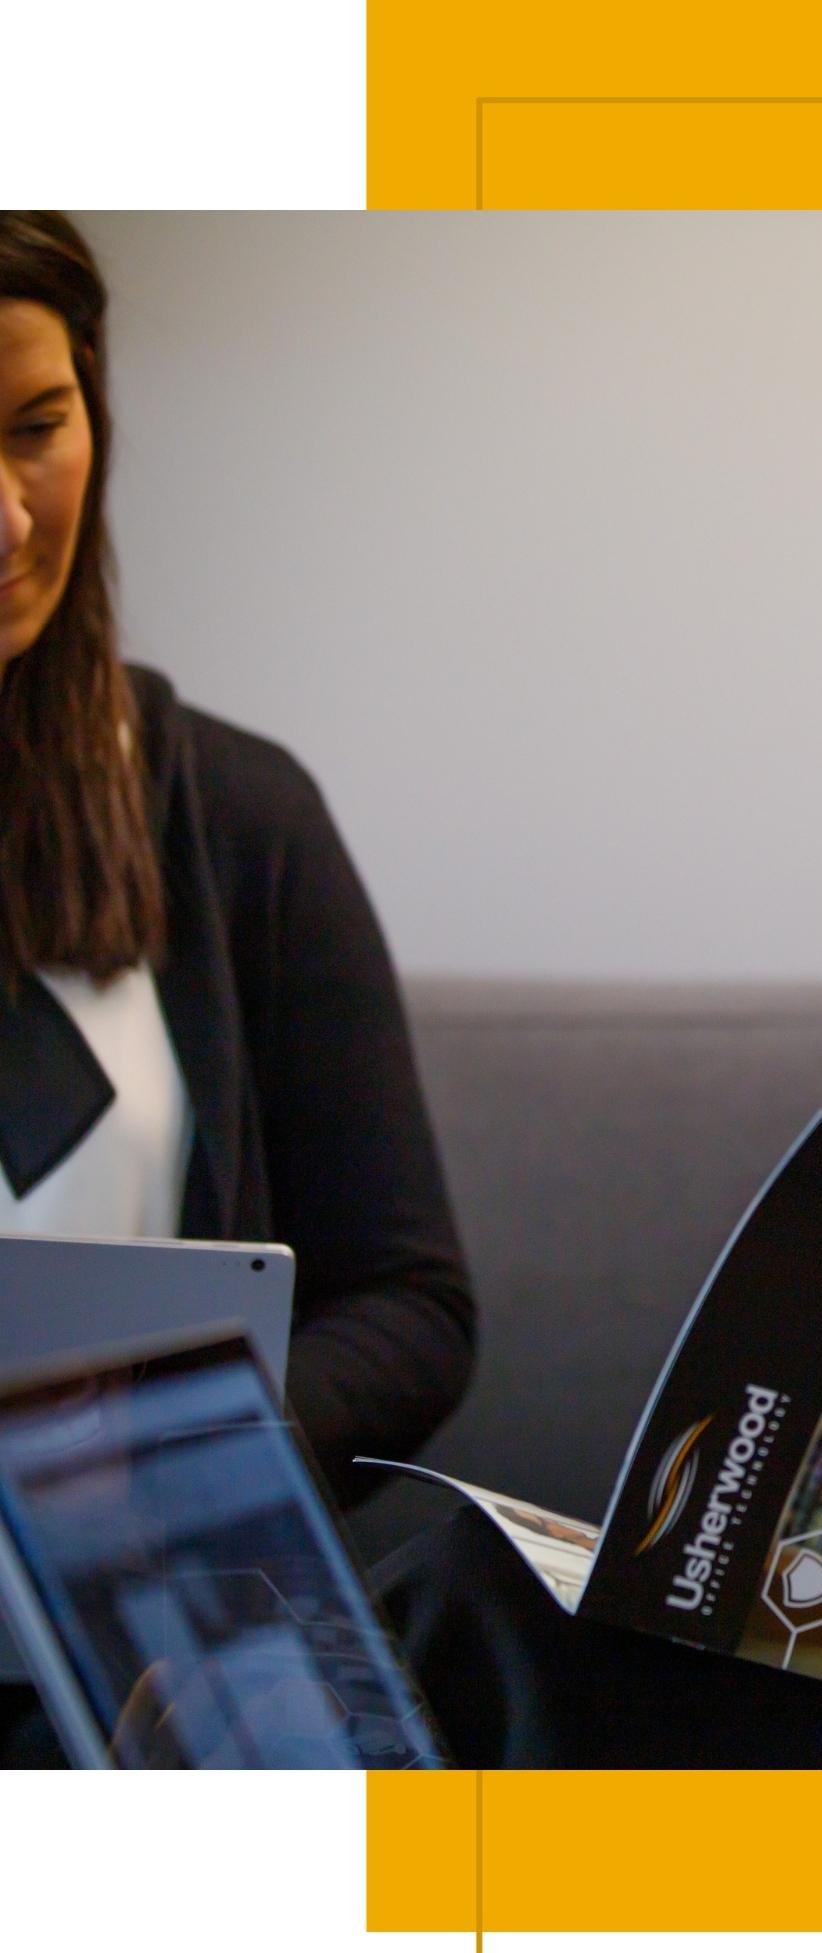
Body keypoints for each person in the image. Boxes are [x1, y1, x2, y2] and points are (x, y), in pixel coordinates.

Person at [0, 211, 475, 1502]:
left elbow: (405, 1307)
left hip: (130, 1637)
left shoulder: (231, 813)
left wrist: (175, 1459)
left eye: (36, 429)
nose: (7, 521)